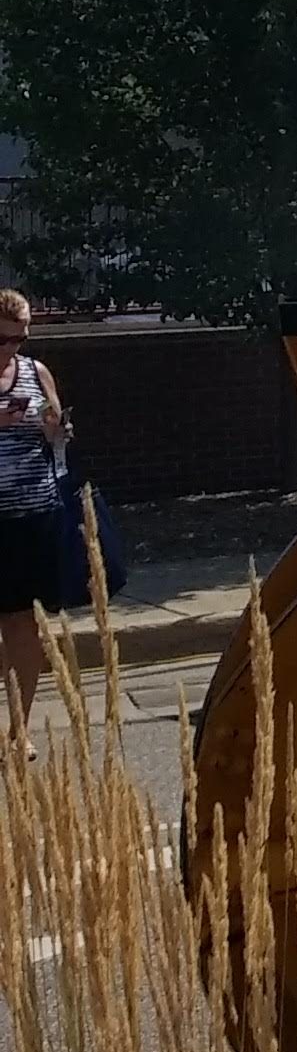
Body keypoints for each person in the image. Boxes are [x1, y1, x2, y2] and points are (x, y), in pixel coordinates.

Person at [0, 289, 66, 748]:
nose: (11, 349)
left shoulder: (35, 373)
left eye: (19, 339)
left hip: (31, 516)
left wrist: (56, 429)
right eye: (2, 339)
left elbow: (58, 431)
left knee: (24, 626)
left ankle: (18, 730)